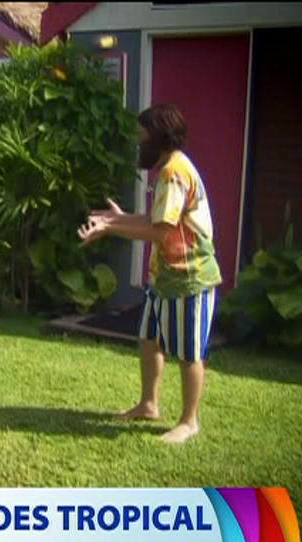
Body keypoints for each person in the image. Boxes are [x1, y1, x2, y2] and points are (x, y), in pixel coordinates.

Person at [78, 104, 222, 444]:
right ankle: (148, 404)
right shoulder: (169, 169)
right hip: (164, 277)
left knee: (188, 353)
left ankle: (189, 421)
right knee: (149, 339)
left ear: (160, 137)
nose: (139, 143)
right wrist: (116, 219)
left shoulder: (173, 173)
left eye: (142, 136)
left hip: (190, 278)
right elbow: (156, 221)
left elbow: (159, 232)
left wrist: (110, 228)